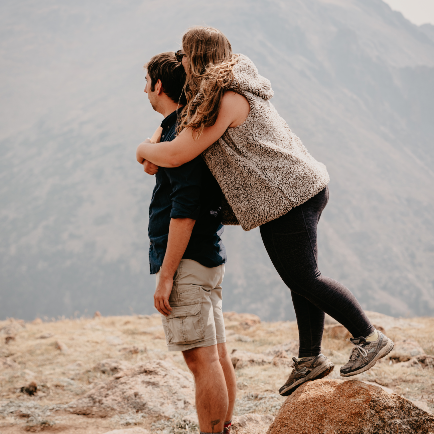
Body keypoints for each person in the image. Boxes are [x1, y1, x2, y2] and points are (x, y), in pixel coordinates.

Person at [137, 27, 395, 398]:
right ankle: (310, 359)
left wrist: (140, 150)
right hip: (280, 197)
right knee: (298, 277)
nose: (181, 60)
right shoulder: (212, 96)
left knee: (304, 276)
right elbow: (173, 141)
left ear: (199, 57)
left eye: (186, 54)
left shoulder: (228, 97)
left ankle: (368, 337)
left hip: (291, 193)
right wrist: (151, 148)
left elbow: (179, 153)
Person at [142, 52, 236, 434]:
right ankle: (226, 427)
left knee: (202, 361)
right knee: (217, 355)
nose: (144, 89)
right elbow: (153, 163)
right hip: (209, 256)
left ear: (158, 85)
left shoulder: (181, 135)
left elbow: (184, 211)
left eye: (146, 82)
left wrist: (166, 276)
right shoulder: (185, 129)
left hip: (187, 262)